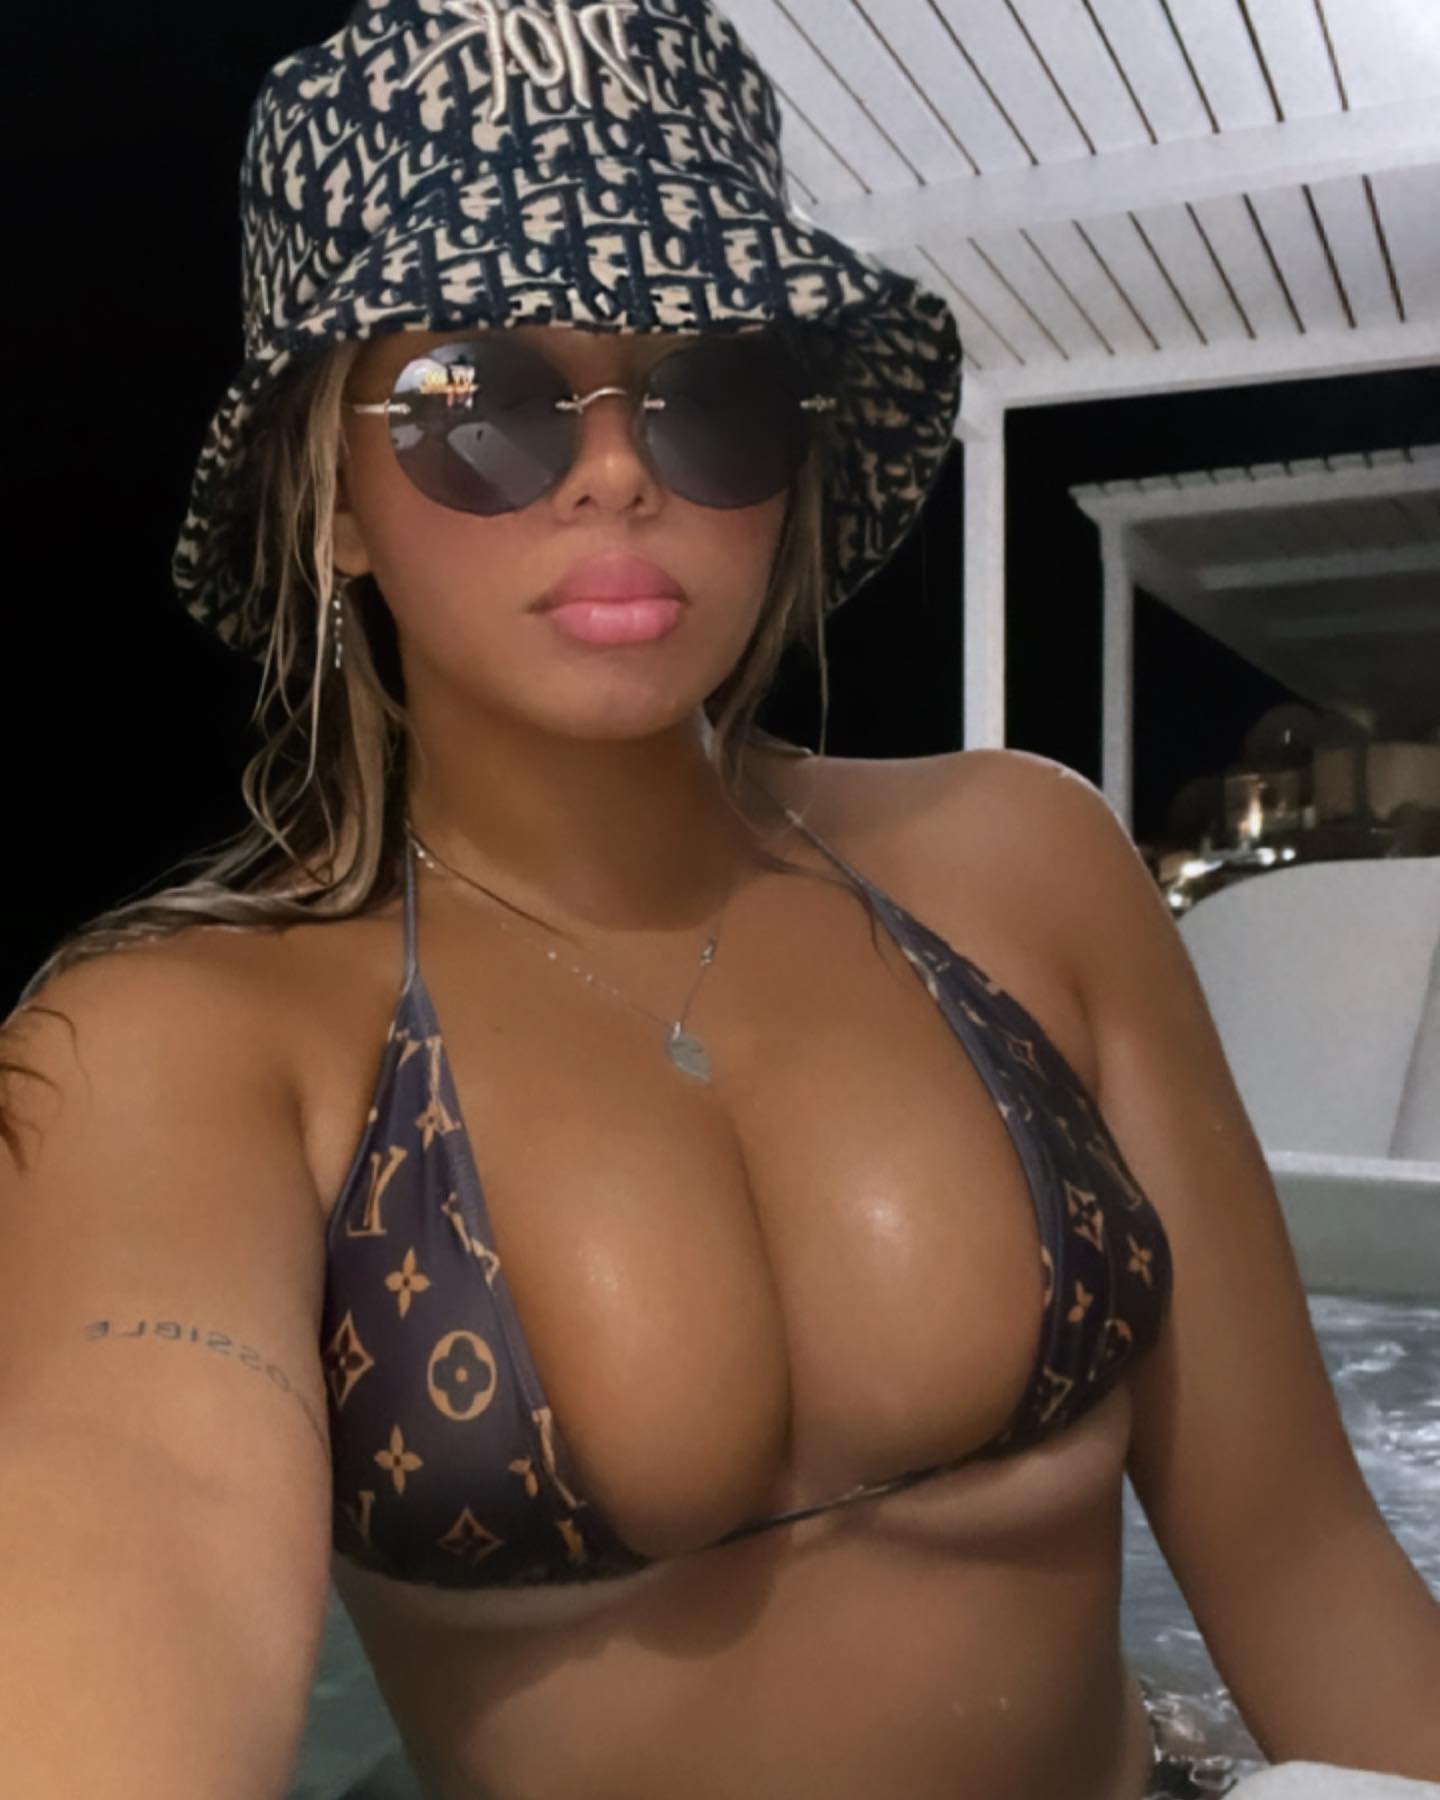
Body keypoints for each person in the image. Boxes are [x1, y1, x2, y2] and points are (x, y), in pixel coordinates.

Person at [2, 2, 1437, 1797]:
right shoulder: (178, 1041)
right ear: (335, 498)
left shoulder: (1026, 867)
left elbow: (1307, 1564)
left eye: (713, 396)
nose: (617, 468)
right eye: (478, 402)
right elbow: (138, 1505)